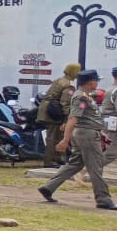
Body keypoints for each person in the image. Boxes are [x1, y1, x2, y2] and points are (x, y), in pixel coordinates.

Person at [37, 69, 117, 209]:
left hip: (88, 133)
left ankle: (48, 187)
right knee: (96, 167)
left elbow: (88, 118)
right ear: (91, 82)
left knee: (75, 164)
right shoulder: (81, 98)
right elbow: (73, 118)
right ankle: (103, 199)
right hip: (87, 135)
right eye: (96, 80)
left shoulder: (85, 96)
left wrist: (101, 133)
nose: (97, 83)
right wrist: (65, 140)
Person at [38, 62, 81, 168]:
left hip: (48, 110)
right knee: (53, 137)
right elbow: (65, 103)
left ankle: (57, 159)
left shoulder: (59, 80)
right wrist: (67, 119)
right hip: (55, 113)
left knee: (55, 135)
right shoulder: (69, 85)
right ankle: (49, 161)